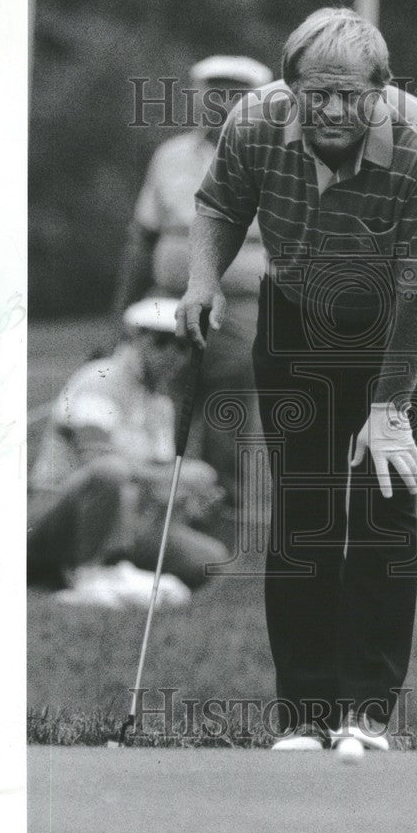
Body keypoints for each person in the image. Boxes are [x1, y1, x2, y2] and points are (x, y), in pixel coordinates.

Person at [177, 7, 417, 750]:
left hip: (403, 323)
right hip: (298, 315)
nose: (332, 109)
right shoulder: (253, 122)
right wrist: (202, 283)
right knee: (305, 513)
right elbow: (219, 206)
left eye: (350, 94)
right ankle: (304, 716)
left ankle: (364, 713)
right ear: (289, 85)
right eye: (315, 93)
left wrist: (390, 408)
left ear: (382, 87)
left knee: (382, 507)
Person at [114, 55, 273, 504]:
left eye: (235, 92)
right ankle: (156, 520)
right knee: (160, 406)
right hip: (169, 298)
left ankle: (222, 519)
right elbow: (142, 238)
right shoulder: (171, 155)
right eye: (214, 90)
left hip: (238, 303)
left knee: (227, 415)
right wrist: (122, 311)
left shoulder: (276, 160)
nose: (223, 101)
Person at [28, 298, 227, 604]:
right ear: (134, 340)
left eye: (184, 347)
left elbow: (154, 488)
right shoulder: (99, 379)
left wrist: (186, 498)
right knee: (111, 471)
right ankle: (90, 573)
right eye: (162, 343)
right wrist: (179, 474)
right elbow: (98, 461)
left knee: (209, 558)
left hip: (125, 520)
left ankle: (97, 571)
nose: (173, 356)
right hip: (56, 513)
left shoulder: (160, 405)